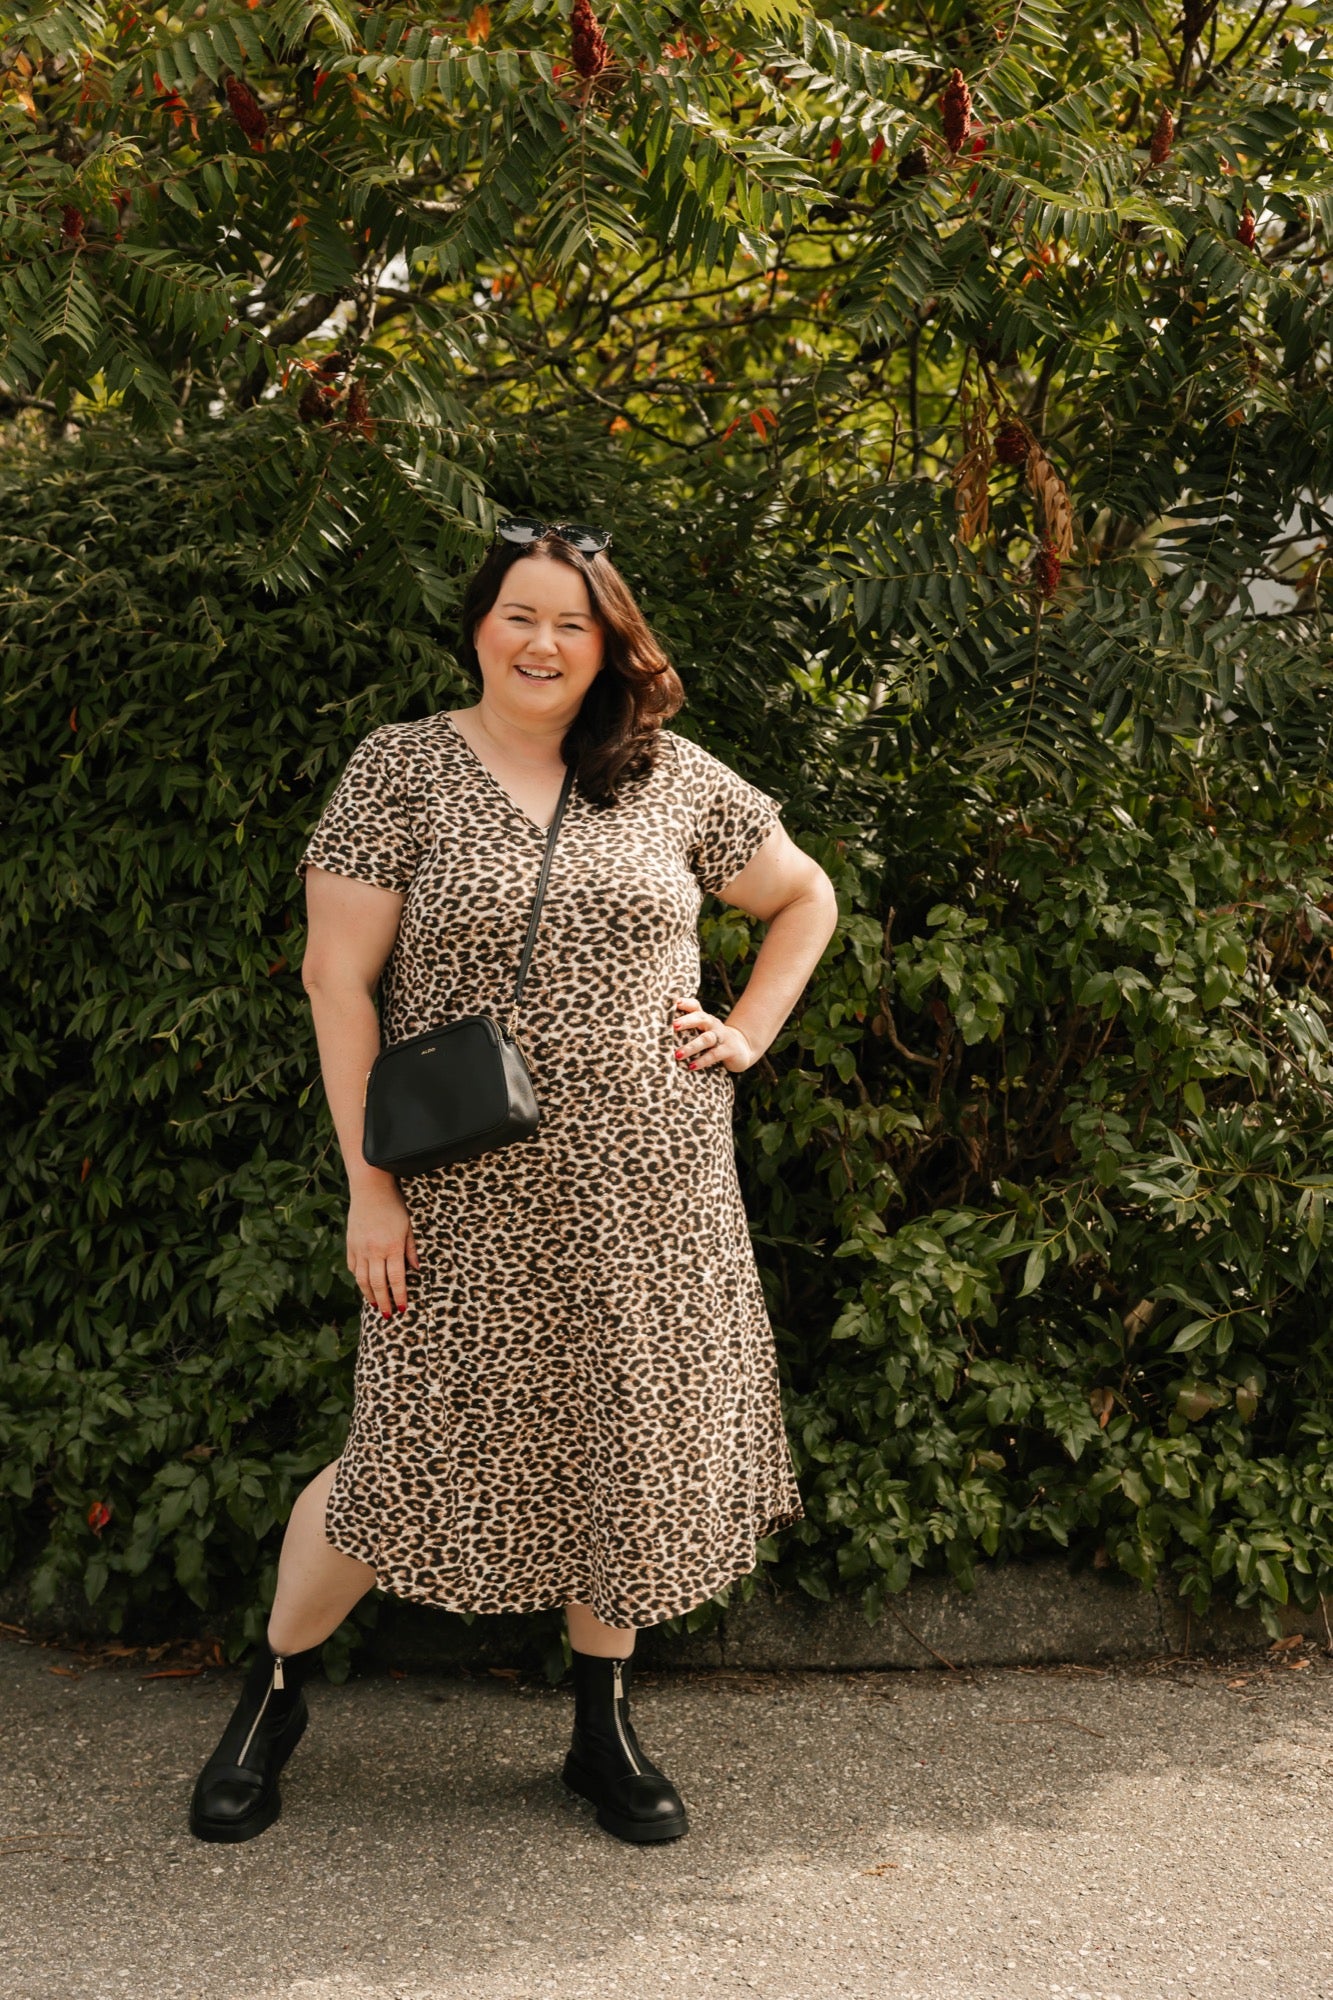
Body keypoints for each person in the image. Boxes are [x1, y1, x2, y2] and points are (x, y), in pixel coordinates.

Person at [188, 517, 839, 1847]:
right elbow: (336, 980)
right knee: (402, 1455)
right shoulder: (404, 767)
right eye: (519, 616)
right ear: (478, 624)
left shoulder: (664, 776)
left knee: (628, 1445)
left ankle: (599, 1723)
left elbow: (803, 895)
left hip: (656, 1190)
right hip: (466, 1193)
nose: (543, 643)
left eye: (572, 623)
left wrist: (752, 1029)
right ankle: (271, 1688)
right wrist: (374, 1188)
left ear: (607, 643)